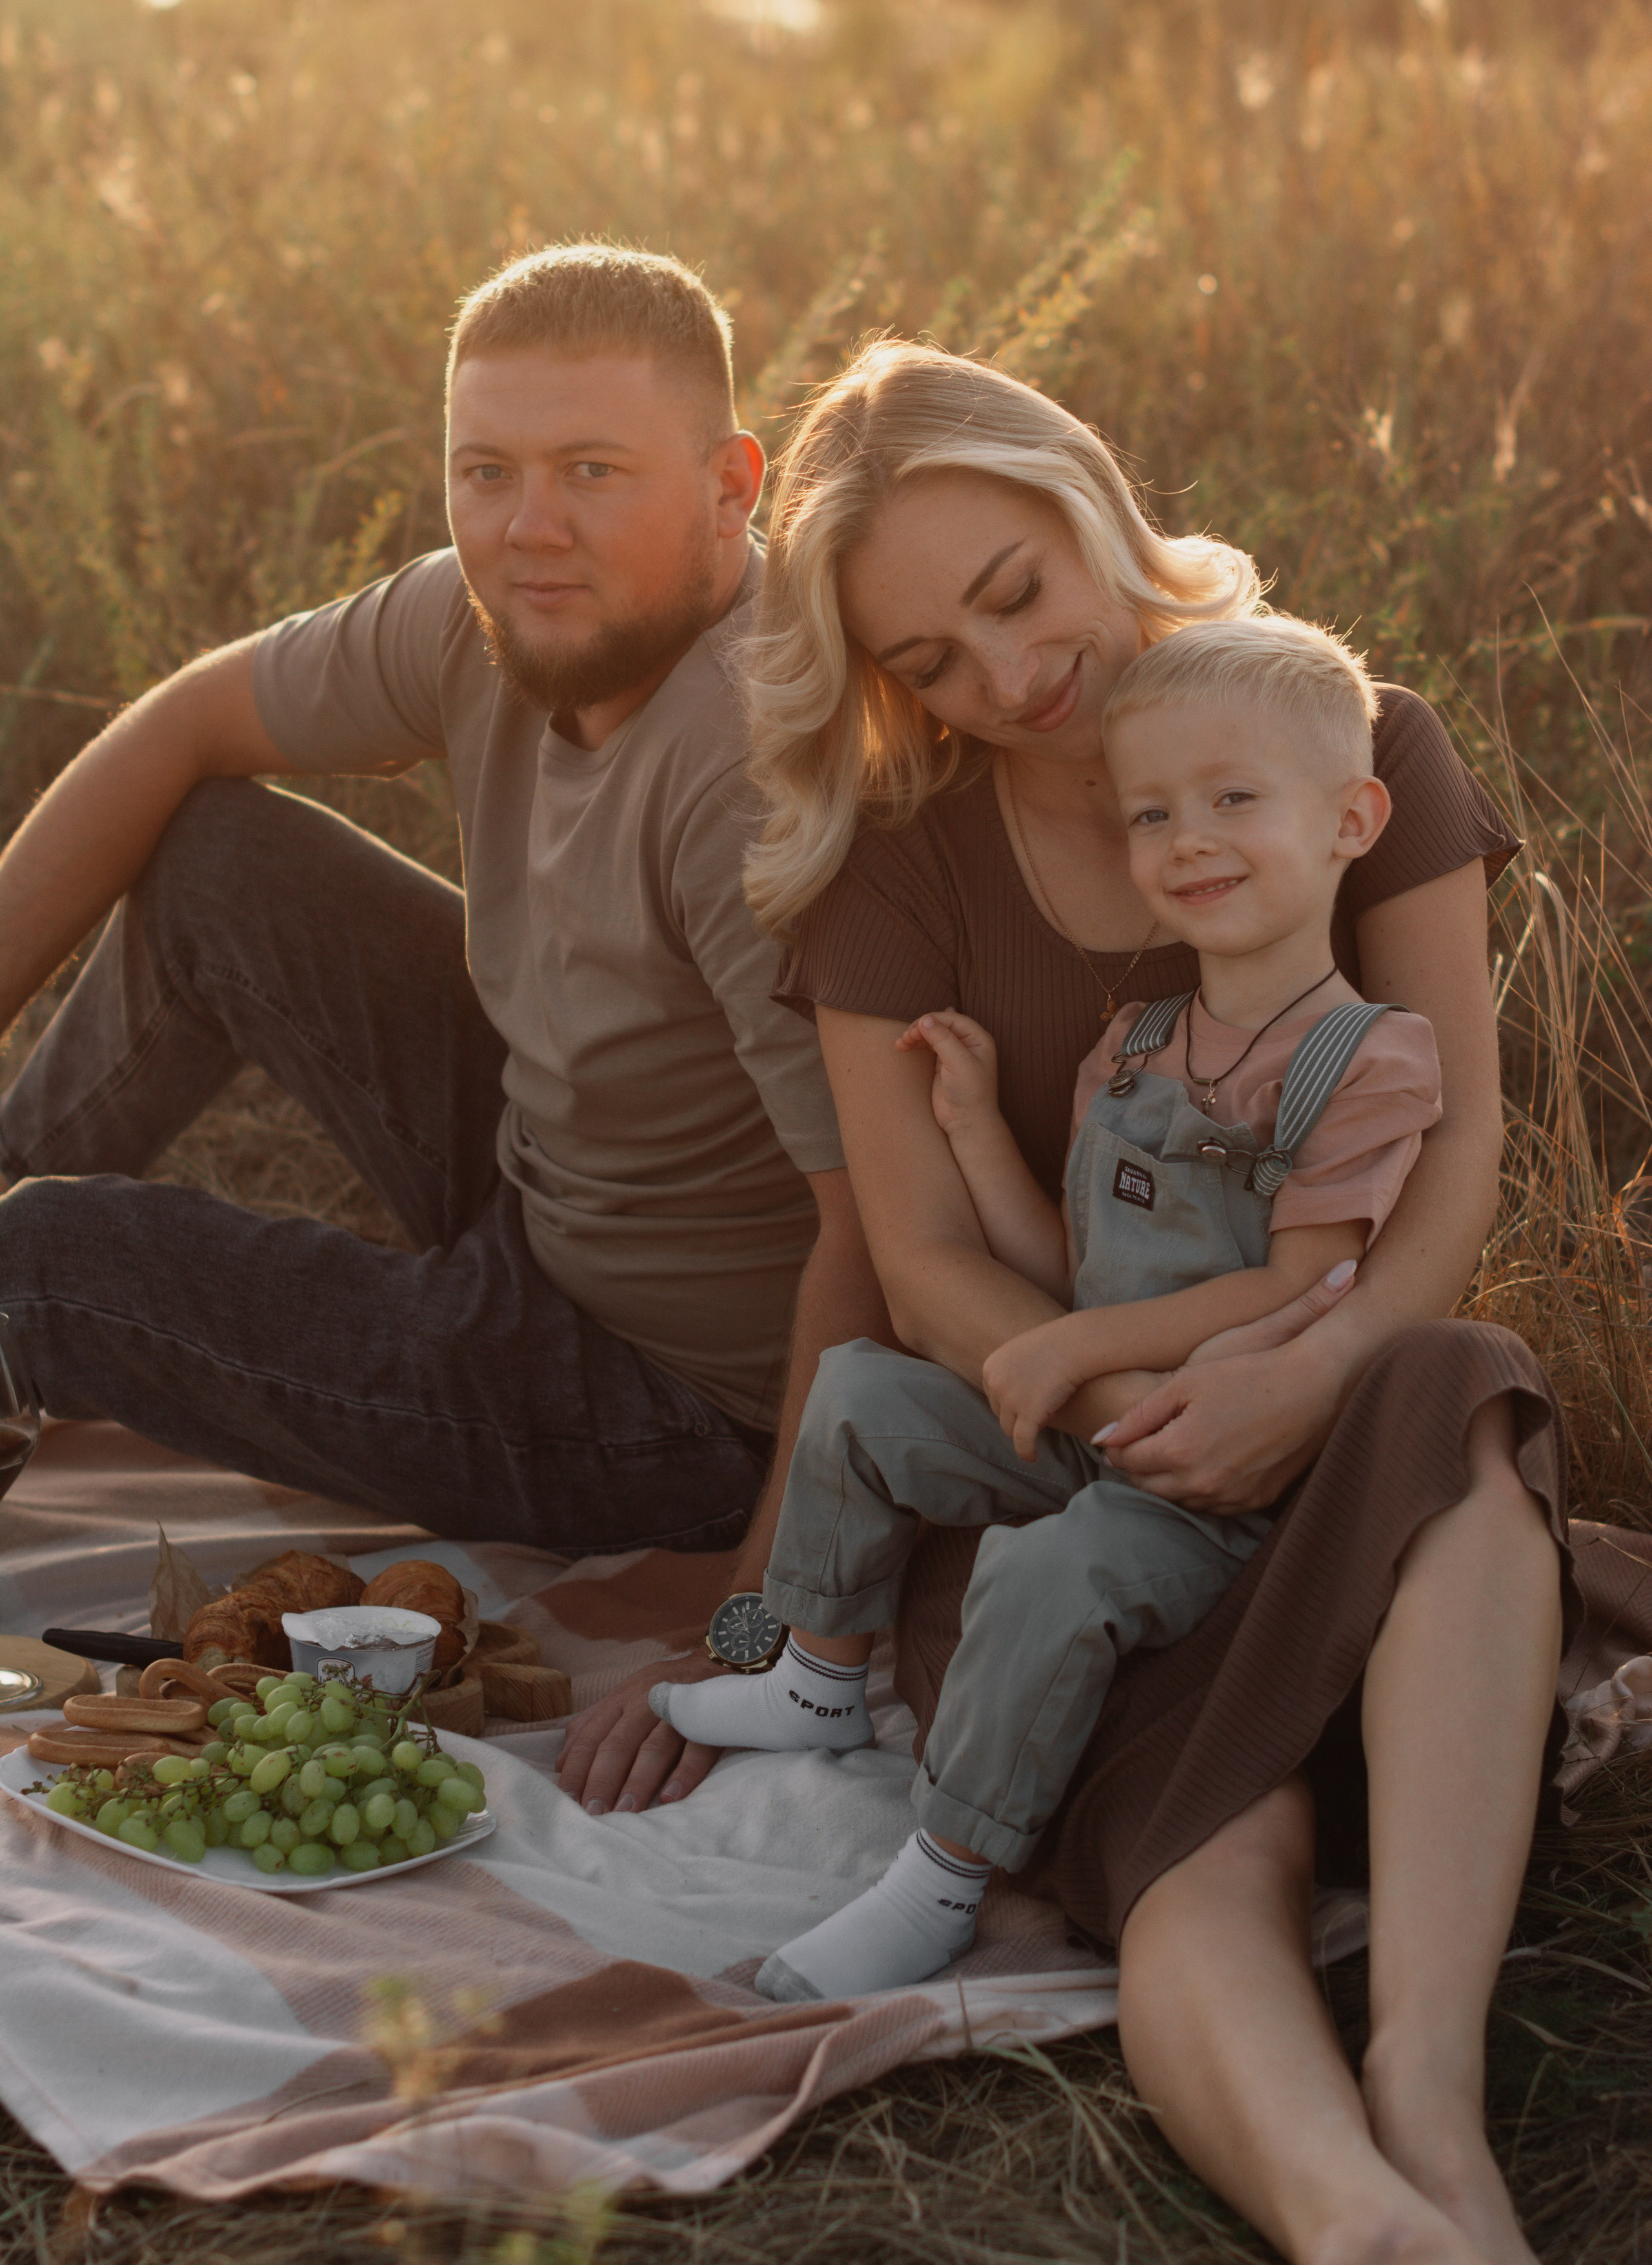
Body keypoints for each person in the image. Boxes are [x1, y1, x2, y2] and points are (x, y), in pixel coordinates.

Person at [583, 334, 1564, 2265]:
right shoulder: (895, 872)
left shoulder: (1343, 744)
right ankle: (1358, 2221)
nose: (1011, 678)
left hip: (1336, 1411)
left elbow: (1457, 1149)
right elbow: (917, 1256)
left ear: (1081, 498)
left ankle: (1433, 2107)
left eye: (1015, 593)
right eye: (929, 662)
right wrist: (1123, 1419)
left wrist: (1325, 1370)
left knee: (1460, 1387)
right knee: (1224, 1844)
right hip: (1047, 1476)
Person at [0, 246, 888, 1631]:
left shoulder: (750, 775)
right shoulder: (487, 614)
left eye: (593, 470)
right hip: (539, 1175)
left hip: (670, 1408)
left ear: (731, 487)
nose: (529, 526)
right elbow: (182, 724)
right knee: (218, 851)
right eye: (487, 471)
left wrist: (749, 1595)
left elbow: (883, 1232)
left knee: (42, 1265)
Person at [656, 611, 1444, 2006]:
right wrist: (968, 1132)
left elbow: (1293, 1283)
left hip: (1218, 1480)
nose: (1186, 839)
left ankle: (942, 1875)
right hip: (1087, 1425)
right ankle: (814, 1674)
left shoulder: (1362, 1061)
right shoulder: (1133, 1038)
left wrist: (1071, 1347)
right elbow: (1066, 1257)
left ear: (1351, 820)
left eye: (1231, 801)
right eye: (1151, 813)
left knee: (1040, 1572)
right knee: (857, 1386)